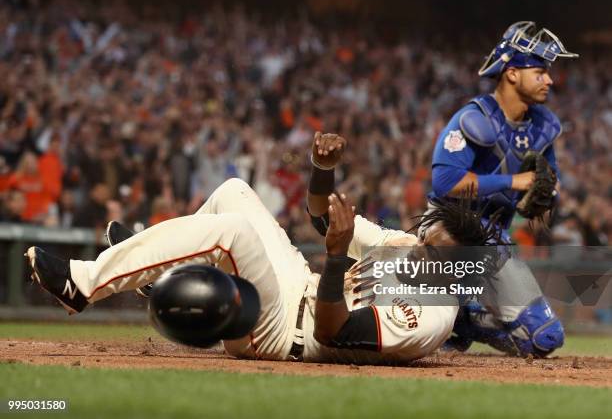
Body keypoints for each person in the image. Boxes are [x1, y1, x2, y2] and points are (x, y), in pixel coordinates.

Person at [25, 134, 502, 365]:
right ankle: (158, 277)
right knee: (234, 190)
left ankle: (82, 283)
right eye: (423, 240)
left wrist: (337, 256)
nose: (416, 250)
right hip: (296, 287)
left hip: (285, 334)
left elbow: (333, 330)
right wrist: (321, 168)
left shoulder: (432, 317)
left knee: (231, 231)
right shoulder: (406, 248)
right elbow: (320, 215)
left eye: (429, 252)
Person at [427, 22, 579, 356]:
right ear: (511, 73)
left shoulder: (544, 126)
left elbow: (547, 181)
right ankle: (450, 310)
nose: (549, 80)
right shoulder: (474, 118)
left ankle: (467, 320)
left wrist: (547, 195)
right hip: (448, 231)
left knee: (544, 338)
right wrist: (514, 182)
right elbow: (445, 184)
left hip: (495, 239)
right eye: (539, 72)